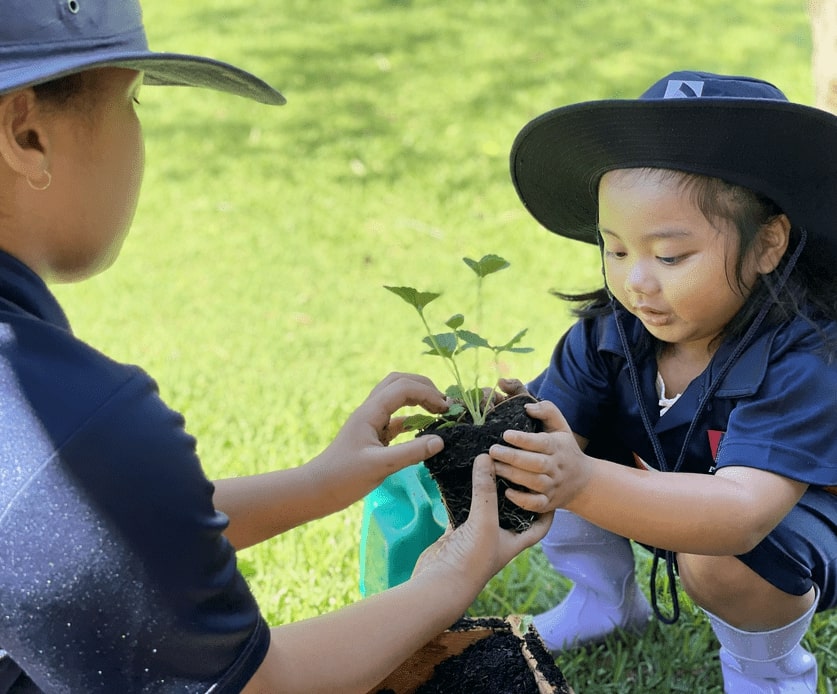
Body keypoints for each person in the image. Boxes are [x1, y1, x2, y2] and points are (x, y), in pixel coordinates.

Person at [0, 2, 552, 692]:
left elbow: (82, 532)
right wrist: (450, 576)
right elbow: (265, 687)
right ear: (27, 135)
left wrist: (318, 485)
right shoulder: (66, 418)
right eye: (134, 99)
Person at [488, 71, 837, 692]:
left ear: (769, 244)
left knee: (719, 557)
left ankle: (769, 673)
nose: (637, 283)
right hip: (679, 500)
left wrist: (583, 478)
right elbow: (551, 435)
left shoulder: (805, 354)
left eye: (670, 257)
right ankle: (603, 600)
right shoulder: (607, 337)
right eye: (616, 250)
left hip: (793, 523)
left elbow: (740, 516)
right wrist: (508, 424)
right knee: (552, 442)